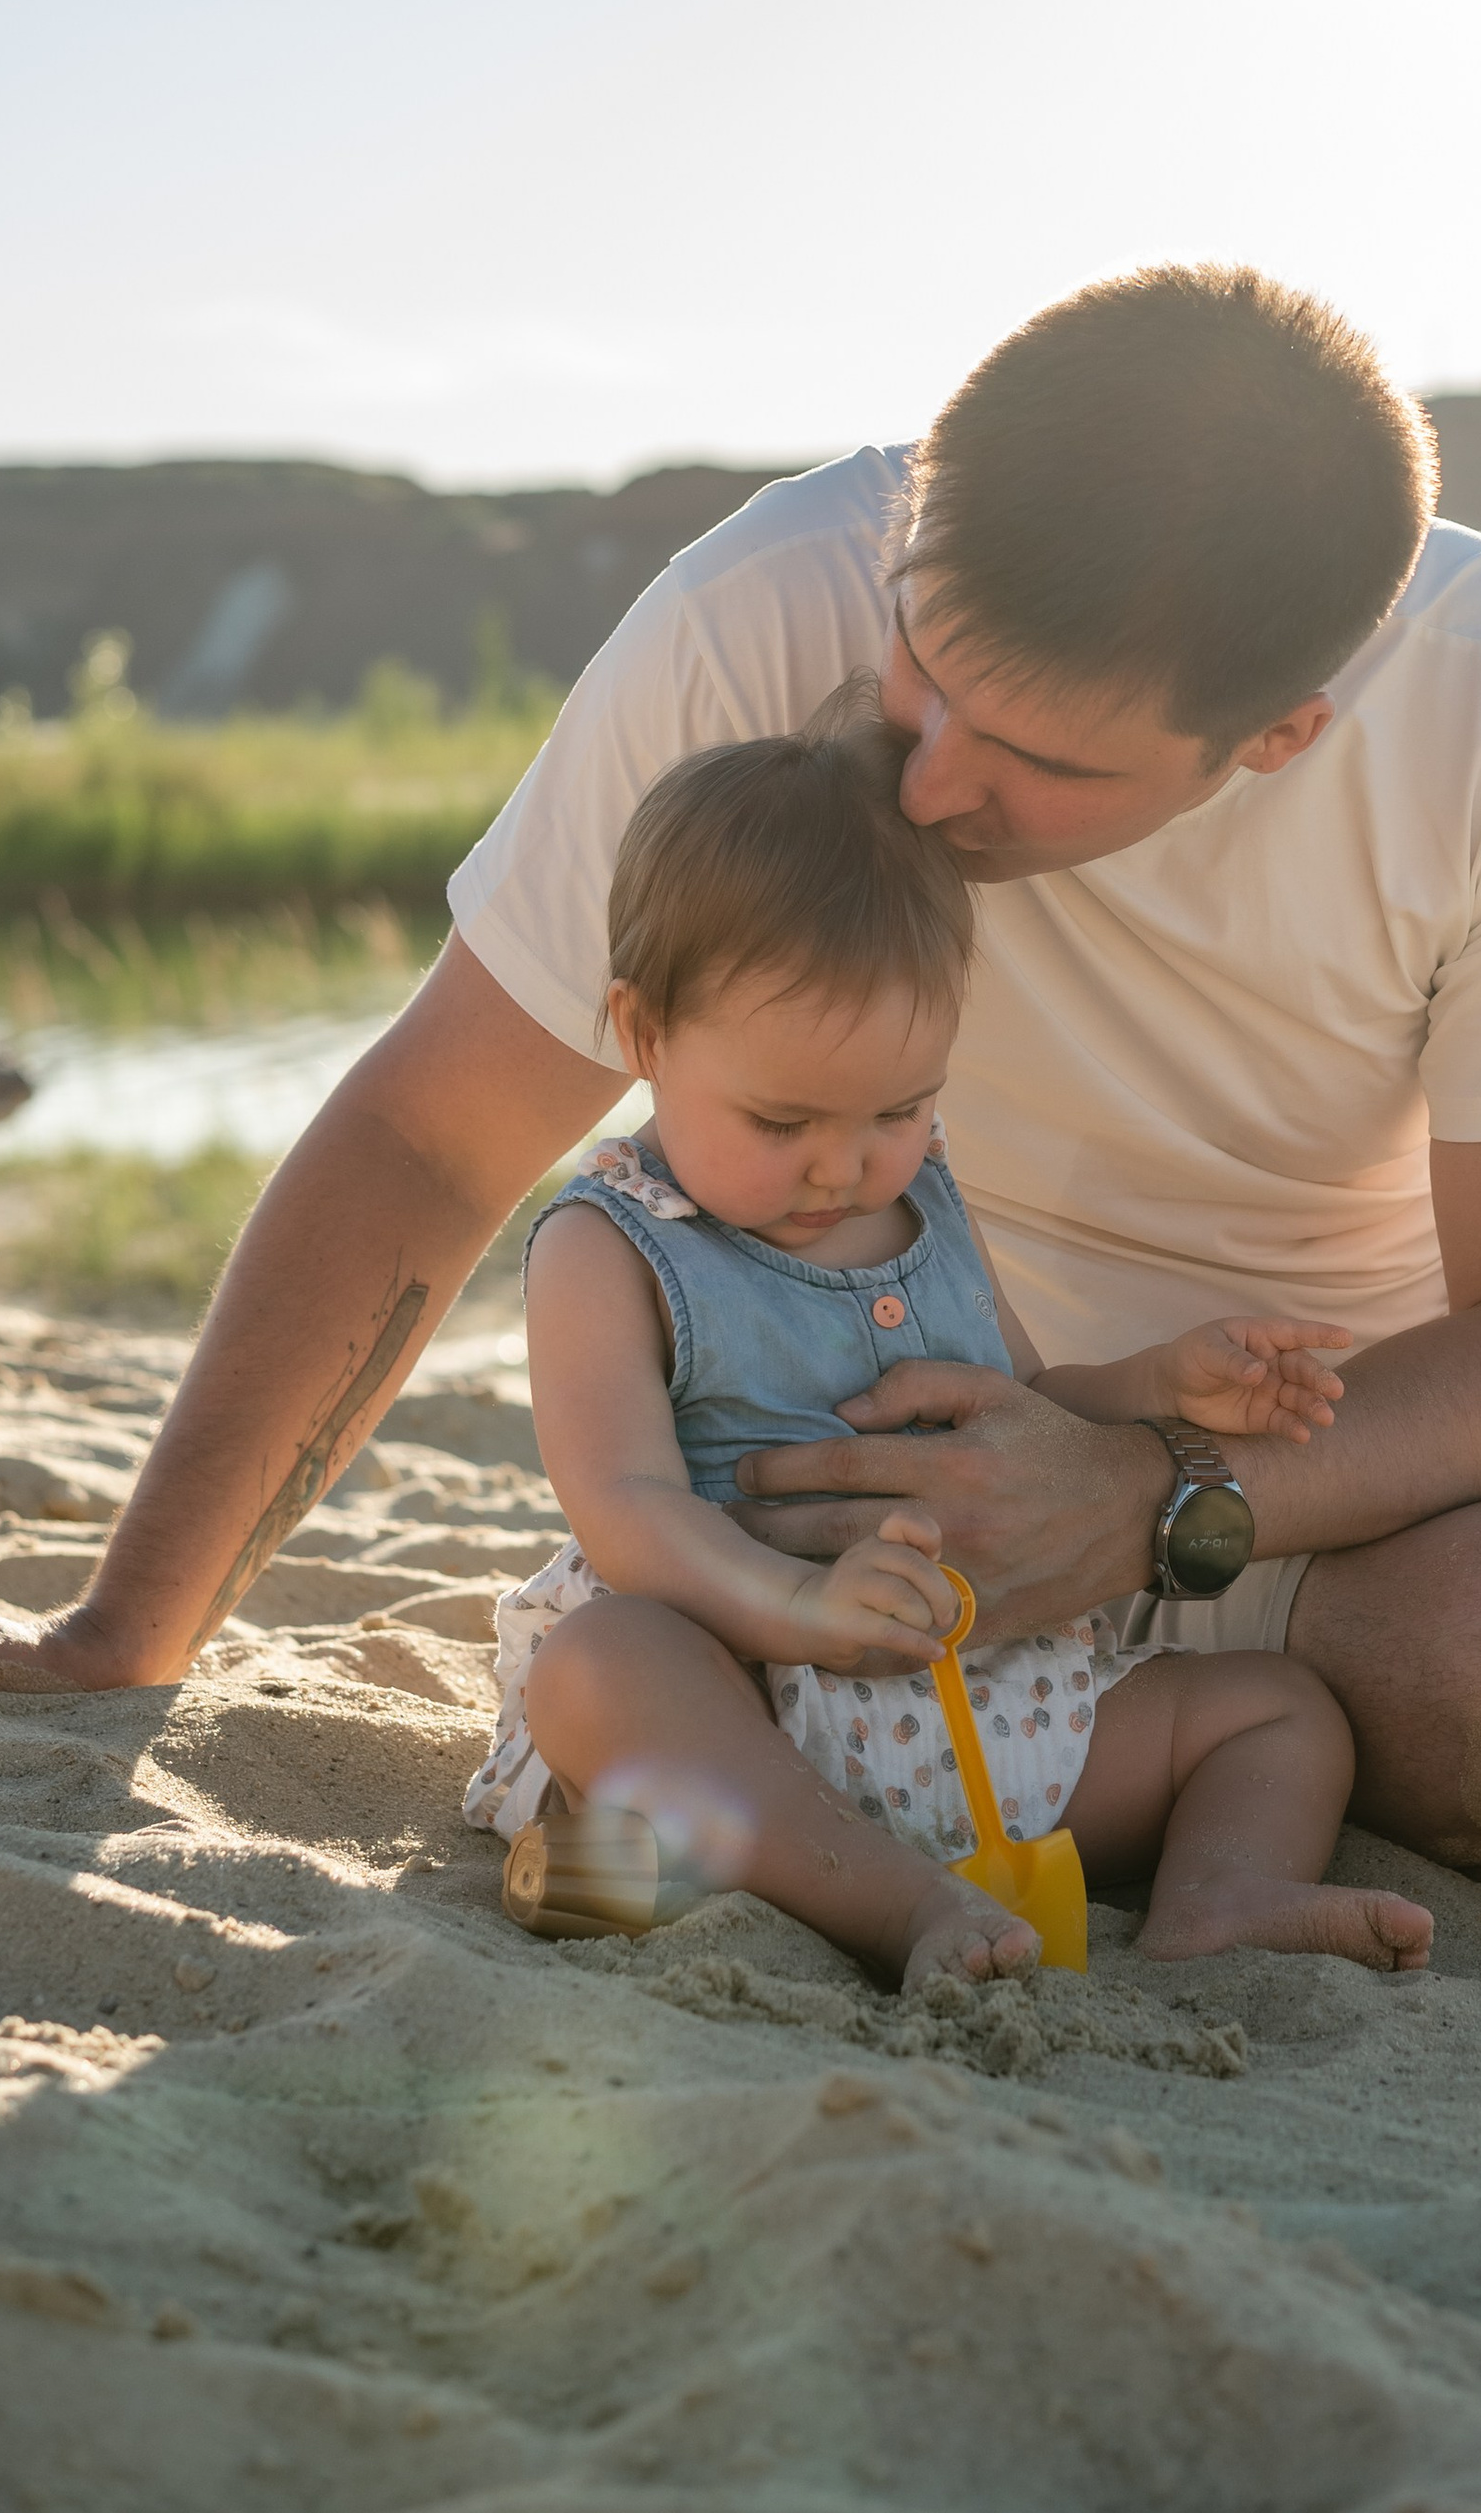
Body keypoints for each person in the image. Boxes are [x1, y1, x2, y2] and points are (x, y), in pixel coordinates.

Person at [0, 266, 1481, 2028]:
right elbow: (428, 1134)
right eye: (918, 669)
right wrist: (128, 1625)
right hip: (948, 1432)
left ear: (1278, 727)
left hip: (1358, 1405)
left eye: (1031, 755)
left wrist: (1162, 1487)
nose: (920, 774)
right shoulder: (762, 607)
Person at [473, 699, 1429, 1983]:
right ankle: (888, 1902)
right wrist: (796, 1604)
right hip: (749, 1698)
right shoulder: (612, 1244)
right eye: (781, 1122)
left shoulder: (924, 1194)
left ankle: (1222, 1897)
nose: (843, 1166)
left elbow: (1027, 1400)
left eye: (899, 1108)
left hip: (994, 1713)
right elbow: (627, 1510)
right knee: (600, 1668)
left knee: (1278, 1711)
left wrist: (1159, 1385)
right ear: (646, 1034)